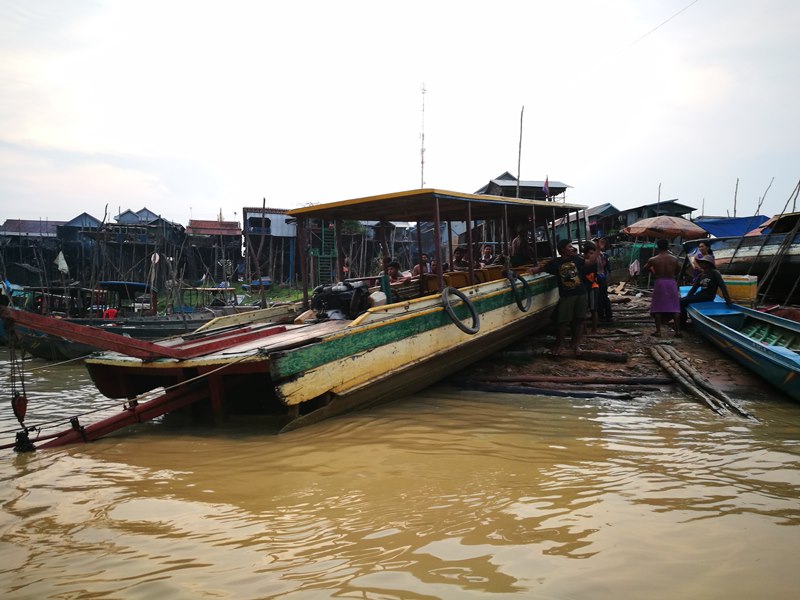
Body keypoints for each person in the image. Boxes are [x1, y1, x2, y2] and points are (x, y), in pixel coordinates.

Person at [529, 238, 598, 356]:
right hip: (567, 296)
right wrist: (532, 270)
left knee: (579, 320)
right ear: (562, 250)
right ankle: (560, 345)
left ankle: (575, 344)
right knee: (563, 322)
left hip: (581, 293)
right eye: (570, 246)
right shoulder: (555, 262)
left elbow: (590, 262)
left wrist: (598, 249)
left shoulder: (577, 259)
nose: (572, 248)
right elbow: (541, 268)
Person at [680, 254, 732, 327]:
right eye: (700, 262)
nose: (701, 264)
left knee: (682, 301)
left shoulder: (715, 273)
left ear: (708, 264)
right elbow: (693, 289)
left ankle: (682, 324)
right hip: (700, 295)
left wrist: (728, 302)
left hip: (708, 296)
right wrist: (687, 298)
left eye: (703, 262)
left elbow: (723, 287)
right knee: (682, 301)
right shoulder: (701, 275)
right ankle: (683, 321)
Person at [645, 238, 682, 337]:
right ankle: (678, 331)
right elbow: (679, 269)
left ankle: (658, 331)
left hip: (660, 282)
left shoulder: (653, 259)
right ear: (668, 246)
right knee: (675, 308)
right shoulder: (674, 259)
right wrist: (673, 274)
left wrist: (653, 272)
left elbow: (645, 268)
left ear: (658, 247)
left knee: (657, 307)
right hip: (671, 282)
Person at [582, 241, 600, 335]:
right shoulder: (583, 262)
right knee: (584, 310)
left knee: (593, 310)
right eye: (590, 253)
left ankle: (594, 330)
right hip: (584, 288)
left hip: (592, 287)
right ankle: (584, 330)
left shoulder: (593, 263)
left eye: (593, 253)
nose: (592, 255)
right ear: (585, 254)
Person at [596, 237, 613, 322]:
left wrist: (609, 274)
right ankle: (603, 315)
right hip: (599, 277)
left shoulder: (603, 255)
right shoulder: (596, 254)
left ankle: (605, 315)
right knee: (601, 297)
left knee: (602, 297)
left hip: (601, 277)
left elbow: (605, 266)